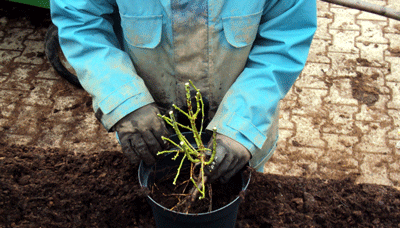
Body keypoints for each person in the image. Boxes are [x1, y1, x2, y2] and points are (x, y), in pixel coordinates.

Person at [50, 0, 317, 183]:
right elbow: (80, 18)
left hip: (240, 136)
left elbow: (285, 37)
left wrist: (243, 122)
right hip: (149, 133)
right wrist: (123, 98)